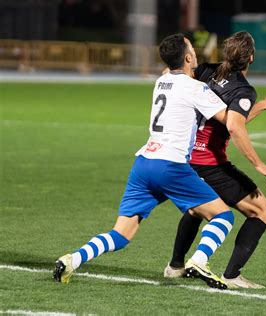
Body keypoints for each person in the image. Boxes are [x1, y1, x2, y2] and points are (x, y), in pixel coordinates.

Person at [52, 34, 235, 290]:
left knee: (122, 234)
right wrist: (258, 106)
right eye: (192, 49)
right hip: (170, 166)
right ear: (188, 57)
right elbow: (230, 119)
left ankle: (73, 258)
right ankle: (199, 260)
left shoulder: (160, 81)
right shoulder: (196, 88)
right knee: (223, 216)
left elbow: (174, 76)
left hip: (144, 163)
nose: (195, 52)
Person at [163, 31, 266, 289]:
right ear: (251, 57)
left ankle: (175, 266)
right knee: (263, 211)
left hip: (187, 156)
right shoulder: (242, 89)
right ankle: (232, 275)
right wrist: (259, 164)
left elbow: (227, 117)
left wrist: (260, 106)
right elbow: (234, 126)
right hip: (210, 161)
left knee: (198, 207)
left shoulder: (205, 70)